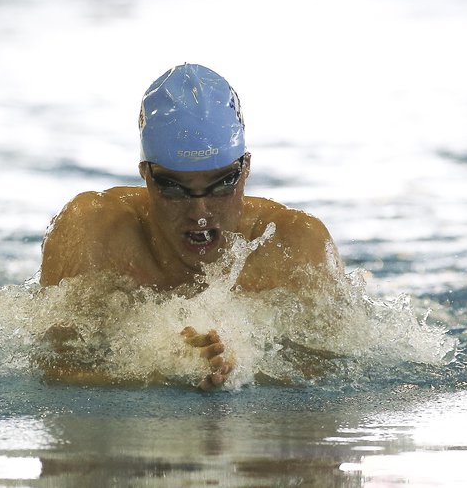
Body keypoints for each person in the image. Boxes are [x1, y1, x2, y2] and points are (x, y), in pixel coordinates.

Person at [38, 64, 343, 390]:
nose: (200, 210)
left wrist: (245, 370)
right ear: (146, 174)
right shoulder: (95, 234)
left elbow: (336, 378)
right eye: (174, 187)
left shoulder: (295, 247)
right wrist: (161, 371)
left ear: (247, 169)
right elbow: (53, 371)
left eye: (222, 183)